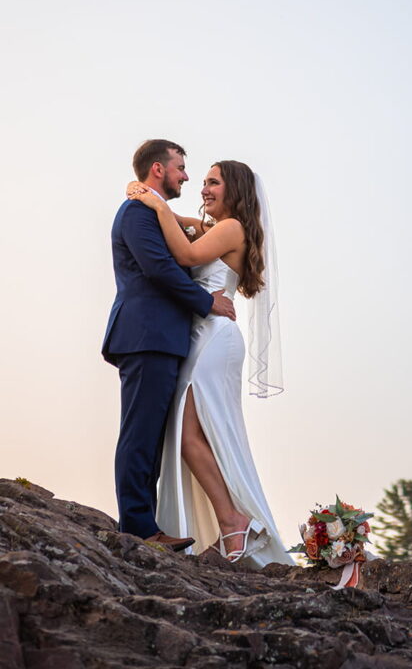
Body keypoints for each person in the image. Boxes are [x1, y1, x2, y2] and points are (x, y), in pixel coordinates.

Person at [126, 159, 294, 568]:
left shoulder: (231, 228)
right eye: (202, 181)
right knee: (190, 435)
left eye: (213, 182)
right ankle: (232, 522)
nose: (203, 188)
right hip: (198, 339)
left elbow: (184, 255)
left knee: (188, 435)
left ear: (233, 190)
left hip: (216, 339)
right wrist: (149, 198)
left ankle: (234, 521)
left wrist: (157, 205)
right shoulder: (216, 228)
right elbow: (185, 225)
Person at [102, 139, 237, 551]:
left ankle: (146, 525)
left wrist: (181, 217)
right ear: (158, 169)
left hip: (163, 339)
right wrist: (205, 301)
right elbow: (159, 269)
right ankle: (139, 529)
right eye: (180, 167)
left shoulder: (154, 212)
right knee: (139, 434)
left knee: (152, 436)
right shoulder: (138, 214)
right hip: (147, 336)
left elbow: (183, 244)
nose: (187, 175)